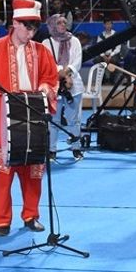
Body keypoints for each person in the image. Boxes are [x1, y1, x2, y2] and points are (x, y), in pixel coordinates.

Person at [0, 0, 60, 235]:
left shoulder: (41, 51)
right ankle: (2, 221)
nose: (31, 32)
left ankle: (31, 215)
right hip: (3, 116)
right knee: (3, 173)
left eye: (35, 27)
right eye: (27, 26)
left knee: (32, 172)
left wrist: (45, 88)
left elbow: (51, 77)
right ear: (15, 23)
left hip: (33, 113)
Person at [43, 13, 84, 161]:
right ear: (52, 25)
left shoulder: (75, 40)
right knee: (54, 120)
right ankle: (52, 150)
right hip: (54, 85)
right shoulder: (46, 43)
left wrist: (68, 73)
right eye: (59, 23)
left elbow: (77, 61)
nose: (62, 25)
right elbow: (47, 63)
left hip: (74, 85)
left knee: (74, 120)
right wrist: (62, 74)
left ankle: (76, 148)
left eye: (64, 22)